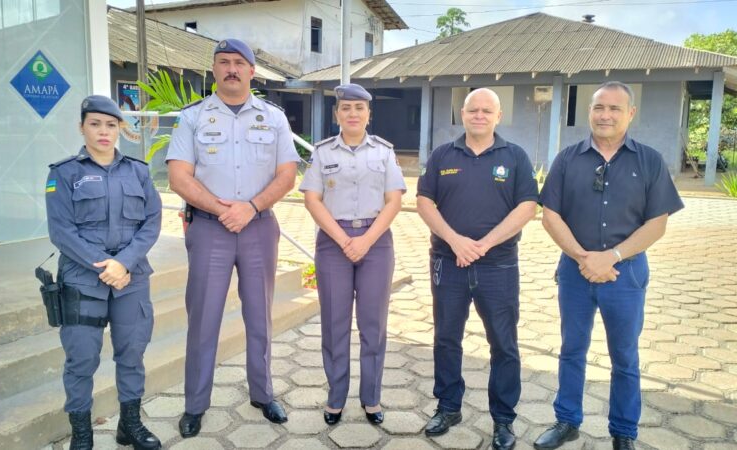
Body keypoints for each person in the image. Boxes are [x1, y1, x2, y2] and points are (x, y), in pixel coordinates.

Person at [535, 81, 683, 450]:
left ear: (630, 114)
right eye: (599, 107)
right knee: (572, 350)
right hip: (575, 272)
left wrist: (611, 257)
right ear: (590, 112)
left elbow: (657, 222)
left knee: (625, 356)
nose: (605, 115)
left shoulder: (649, 160)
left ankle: (623, 432)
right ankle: (566, 421)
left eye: (615, 108)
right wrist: (585, 258)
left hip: (626, 274)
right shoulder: (568, 158)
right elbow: (549, 214)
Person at [165, 38, 298, 437]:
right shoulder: (192, 118)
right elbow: (178, 177)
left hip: (258, 228)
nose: (231, 69)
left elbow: (288, 175)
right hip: (209, 229)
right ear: (214, 69)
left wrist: (252, 207)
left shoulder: (273, 118)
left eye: (239, 63)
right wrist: (224, 209)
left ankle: (263, 393)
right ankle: (195, 404)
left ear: (252, 71)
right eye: (223, 62)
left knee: (260, 315)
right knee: (203, 318)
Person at [416, 88, 538, 450]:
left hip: (498, 265)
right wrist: (455, 241)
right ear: (463, 114)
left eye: (487, 111)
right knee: (446, 339)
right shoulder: (442, 155)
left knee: (503, 344)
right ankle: (448, 406)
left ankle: (503, 420)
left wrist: (484, 244)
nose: (479, 116)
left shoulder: (515, 157)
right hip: (448, 263)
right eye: (473, 110)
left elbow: (527, 206)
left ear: (498, 116)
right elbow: (424, 202)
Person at [45, 95, 162, 450]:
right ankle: (82, 434)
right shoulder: (64, 174)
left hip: (130, 279)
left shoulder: (138, 172)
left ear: (120, 129)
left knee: (132, 355)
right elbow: (62, 231)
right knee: (81, 359)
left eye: (111, 125)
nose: (103, 132)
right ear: (82, 127)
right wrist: (105, 265)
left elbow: (152, 221)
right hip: (82, 282)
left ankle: (130, 426)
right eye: (95, 124)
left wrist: (124, 262)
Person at [299, 83, 406, 426]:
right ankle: (335, 398)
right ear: (337, 115)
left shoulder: (384, 152)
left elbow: (394, 201)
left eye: (359, 108)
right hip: (334, 242)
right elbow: (312, 199)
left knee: (373, 325)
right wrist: (345, 239)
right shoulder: (323, 152)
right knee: (335, 323)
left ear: (369, 114)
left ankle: (371, 398)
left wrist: (365, 240)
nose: (353, 114)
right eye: (346, 108)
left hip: (376, 241)